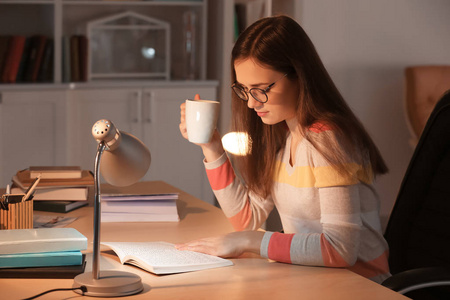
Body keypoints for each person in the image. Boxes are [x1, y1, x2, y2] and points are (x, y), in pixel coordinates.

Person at [177, 15, 390, 284]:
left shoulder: (328, 139)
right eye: (244, 90)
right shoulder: (284, 138)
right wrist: (211, 146)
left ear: (299, 75)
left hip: (359, 286)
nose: (252, 104)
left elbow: (339, 250)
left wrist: (251, 241)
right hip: (311, 279)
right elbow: (246, 217)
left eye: (261, 89)